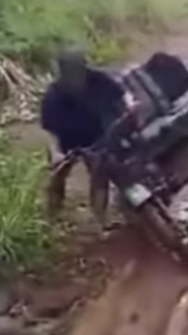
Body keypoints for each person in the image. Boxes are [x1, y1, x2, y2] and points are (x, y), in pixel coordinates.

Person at [40, 47, 136, 228]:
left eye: (77, 72)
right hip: (65, 139)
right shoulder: (52, 96)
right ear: (61, 73)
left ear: (84, 69)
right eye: (68, 73)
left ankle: (100, 220)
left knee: (100, 174)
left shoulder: (99, 79)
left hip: (96, 134)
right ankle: (52, 218)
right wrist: (55, 153)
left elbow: (123, 93)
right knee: (57, 176)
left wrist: (129, 105)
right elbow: (49, 131)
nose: (74, 78)